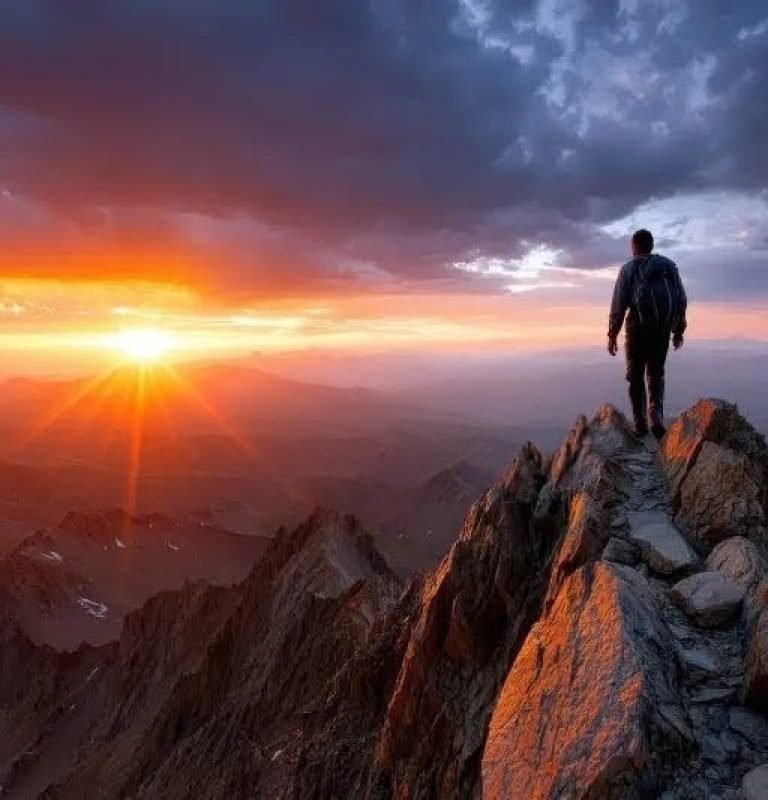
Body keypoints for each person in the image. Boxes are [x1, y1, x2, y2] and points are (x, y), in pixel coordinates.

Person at [607, 228, 687, 439]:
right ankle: (656, 417)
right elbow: (681, 300)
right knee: (656, 374)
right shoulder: (669, 267)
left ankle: (640, 424)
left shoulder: (628, 270)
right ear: (651, 245)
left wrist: (612, 334)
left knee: (635, 376)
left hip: (637, 330)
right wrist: (679, 330)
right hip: (662, 329)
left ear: (634, 246)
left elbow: (618, 305)